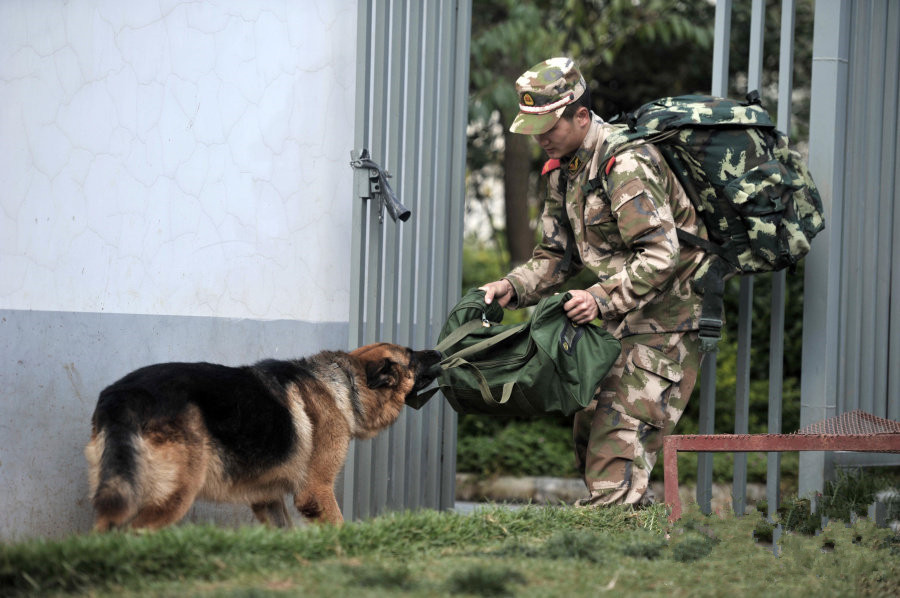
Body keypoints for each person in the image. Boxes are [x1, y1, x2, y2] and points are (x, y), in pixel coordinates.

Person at [479, 57, 709, 506]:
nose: (541, 138)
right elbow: (554, 256)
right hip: (621, 316)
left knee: (616, 442)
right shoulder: (565, 168)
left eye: (550, 126)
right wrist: (513, 287)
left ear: (581, 116)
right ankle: (631, 538)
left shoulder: (627, 163)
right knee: (589, 431)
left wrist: (599, 298)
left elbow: (661, 254)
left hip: (667, 319)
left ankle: (614, 559)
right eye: (534, 128)